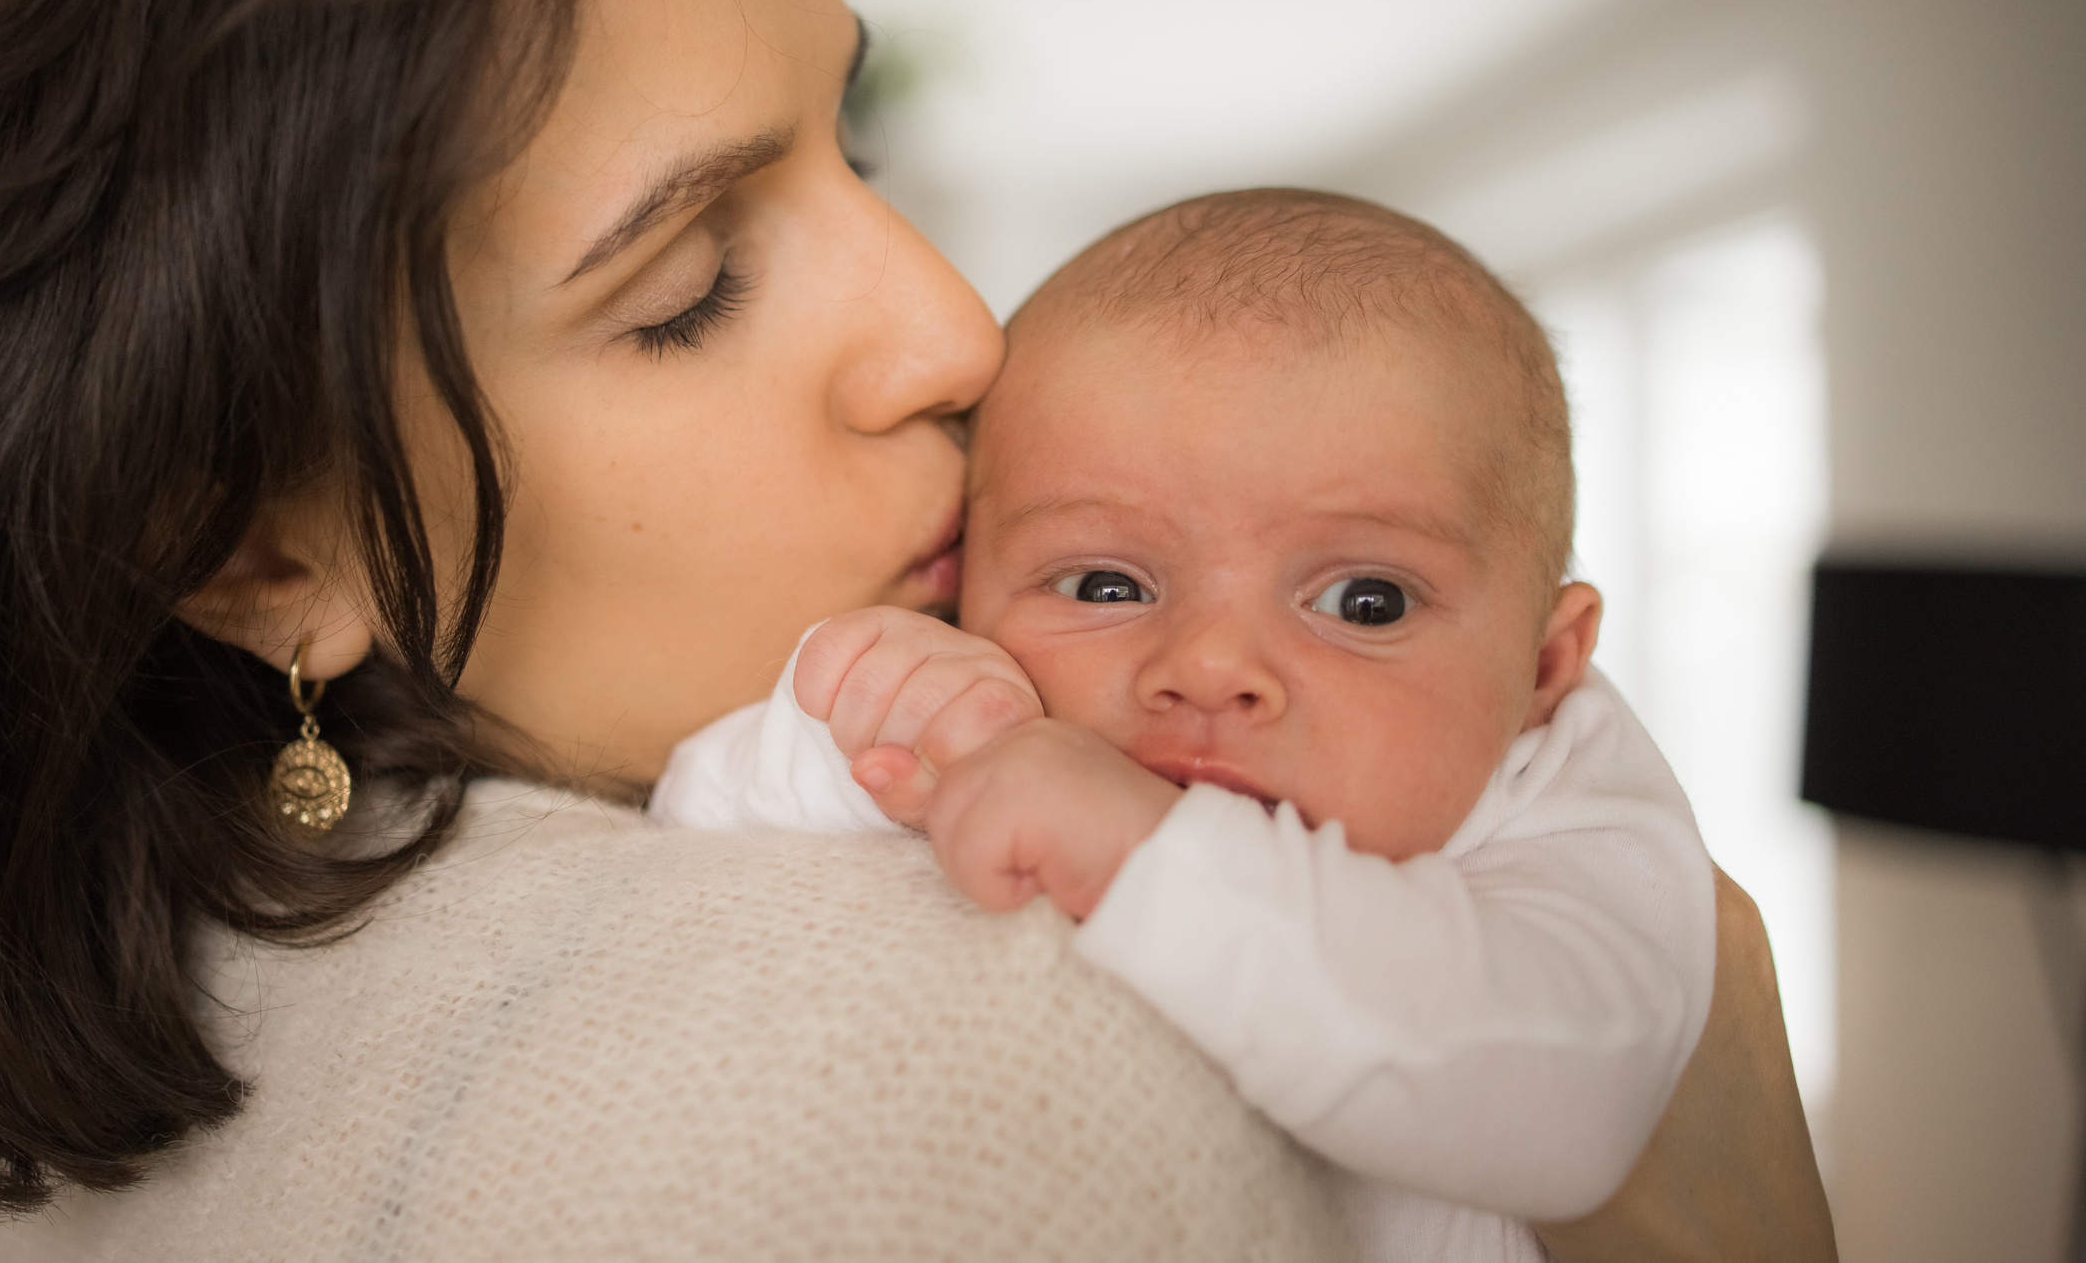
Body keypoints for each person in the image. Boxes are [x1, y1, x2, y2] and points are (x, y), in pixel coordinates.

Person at [0, 0, 1836, 1259]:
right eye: (687, 285)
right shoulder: (990, 1041)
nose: (956, 335)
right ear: (253, 549)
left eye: (851, 145)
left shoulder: (172, 1016)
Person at [650, 189, 1720, 1262]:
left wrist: (1147, 857)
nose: (1207, 668)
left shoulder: (1563, 788)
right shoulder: (993, 705)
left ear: (1543, 667)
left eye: (1365, 602)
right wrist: (873, 731)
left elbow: (1569, 1108)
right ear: (963, 585)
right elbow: (697, 817)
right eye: (1105, 583)